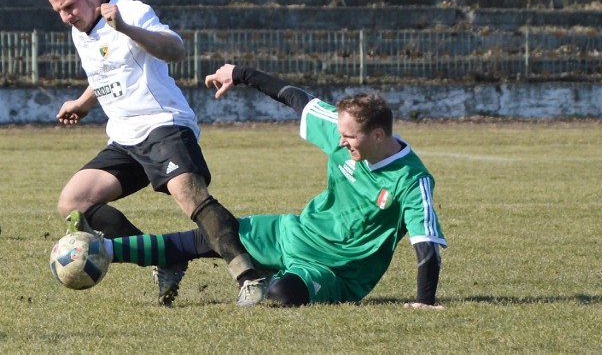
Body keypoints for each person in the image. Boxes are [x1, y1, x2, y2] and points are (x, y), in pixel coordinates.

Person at [70, 63, 448, 309]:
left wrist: (424, 302)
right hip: (295, 232)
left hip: (337, 272)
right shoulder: (341, 131)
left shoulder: (412, 180)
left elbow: (426, 246)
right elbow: (294, 97)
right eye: (341, 133)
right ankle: (100, 250)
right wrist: (241, 74)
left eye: (350, 136)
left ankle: (272, 277)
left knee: (280, 297)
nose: (341, 141)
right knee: (210, 238)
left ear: (379, 134)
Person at [38, 0, 264, 307]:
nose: (66, 16)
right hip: (124, 139)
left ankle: (251, 277)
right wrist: (84, 102)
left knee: (190, 197)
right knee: (73, 203)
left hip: (163, 124)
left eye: (69, 7)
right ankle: (165, 257)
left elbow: (176, 50)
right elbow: (108, 70)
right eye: (58, 11)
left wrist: (126, 28)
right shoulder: (79, 31)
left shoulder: (132, 11)